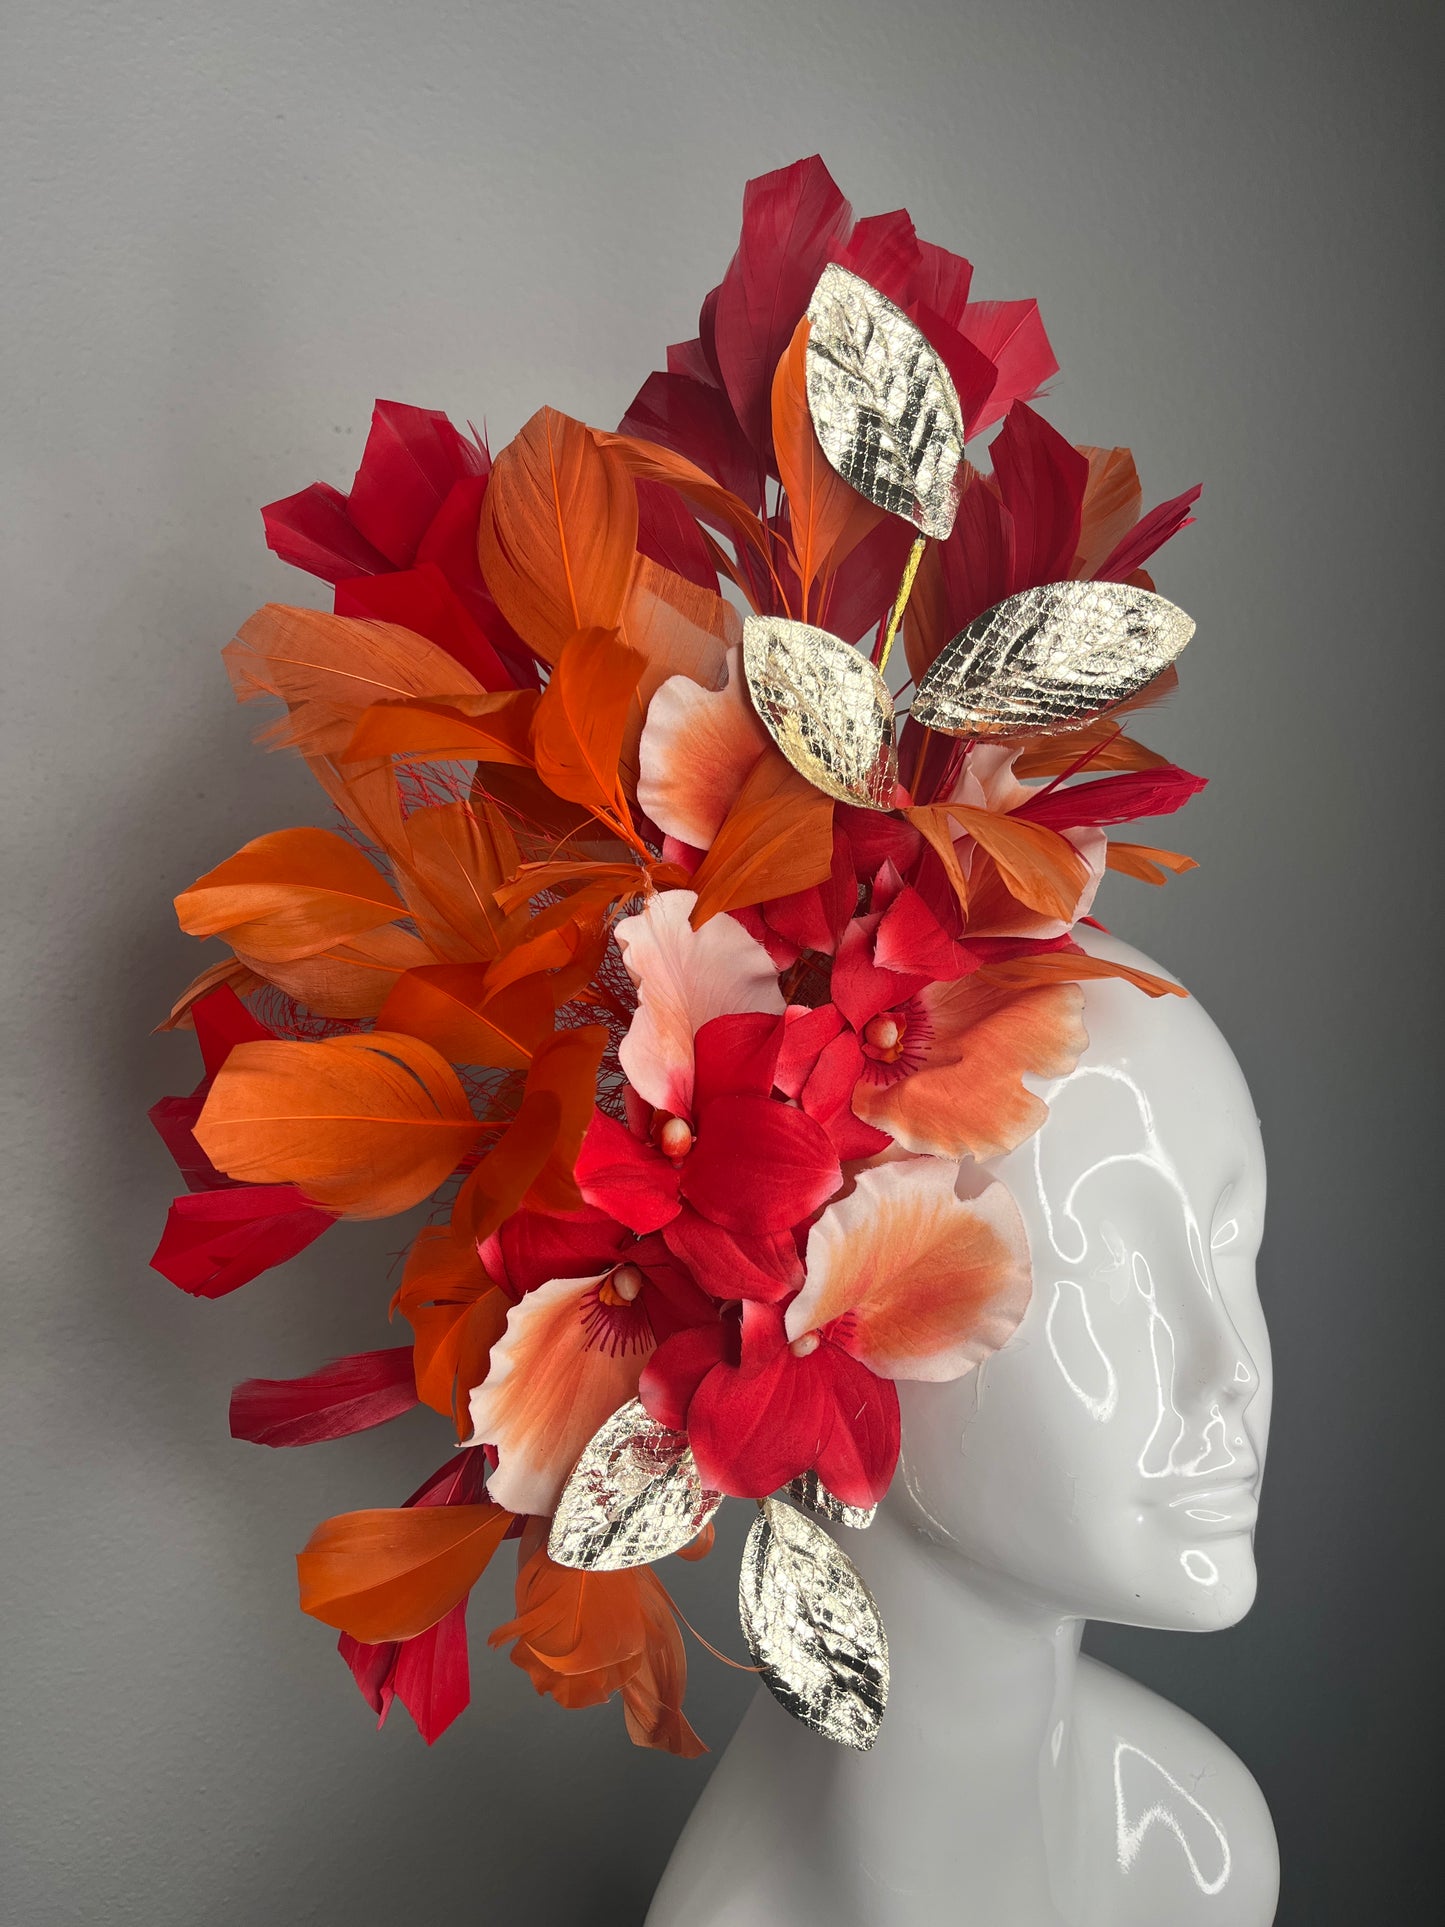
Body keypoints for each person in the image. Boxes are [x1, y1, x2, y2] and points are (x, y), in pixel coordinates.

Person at [648, 933, 1280, 1927]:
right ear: (811, 1299)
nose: (1230, 1367)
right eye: (1109, 1267)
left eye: (1231, 1249)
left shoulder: (1195, 1848)